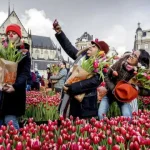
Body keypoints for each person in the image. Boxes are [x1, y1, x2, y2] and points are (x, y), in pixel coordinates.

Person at [53, 20, 109, 118]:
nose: (90, 48)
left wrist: (73, 87)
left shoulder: (102, 65)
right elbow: (69, 48)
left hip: (85, 102)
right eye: (91, 45)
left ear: (101, 52)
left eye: (94, 47)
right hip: (70, 96)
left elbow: (94, 81)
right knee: (66, 119)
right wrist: (59, 33)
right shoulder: (81, 57)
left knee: (81, 128)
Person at [98, 49, 150, 119]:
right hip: (110, 92)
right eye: (132, 53)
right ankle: (103, 128)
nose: (131, 56)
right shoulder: (120, 63)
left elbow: (142, 89)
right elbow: (107, 76)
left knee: (127, 116)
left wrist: (137, 89)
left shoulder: (139, 74)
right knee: (101, 113)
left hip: (123, 97)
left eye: (134, 56)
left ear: (139, 62)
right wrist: (113, 89)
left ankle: (127, 128)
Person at [0, 24, 31, 129]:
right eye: (8, 33)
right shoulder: (3, 49)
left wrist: (15, 86)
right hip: (1, 91)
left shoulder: (24, 52)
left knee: (10, 122)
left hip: (14, 94)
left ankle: (15, 144)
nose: (10, 34)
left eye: (13, 32)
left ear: (19, 35)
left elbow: (25, 73)